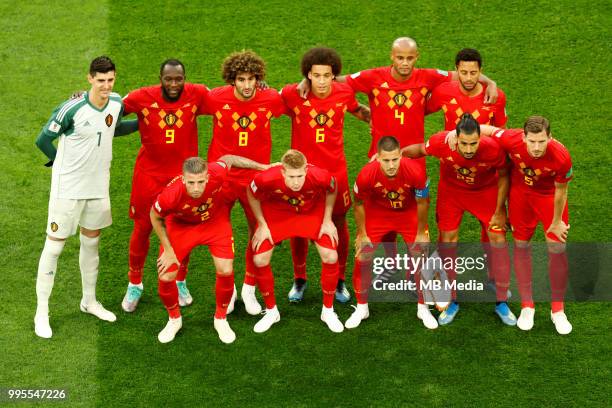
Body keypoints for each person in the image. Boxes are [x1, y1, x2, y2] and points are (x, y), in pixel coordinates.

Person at [34, 56, 129, 338]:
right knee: (54, 248)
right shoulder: (71, 108)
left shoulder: (116, 103)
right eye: (100, 80)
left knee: (92, 244)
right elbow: (43, 140)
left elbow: (112, 128)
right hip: (68, 190)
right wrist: (58, 163)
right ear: (89, 78)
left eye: (110, 80)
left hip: (98, 188)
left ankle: (89, 301)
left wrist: (144, 126)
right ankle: (42, 311)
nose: (106, 85)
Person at [402, 114, 516, 326]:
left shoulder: (493, 148)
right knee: (447, 243)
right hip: (452, 193)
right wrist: (396, 155)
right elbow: (419, 150)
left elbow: (504, 175)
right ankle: (451, 299)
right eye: (464, 143)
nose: (469, 149)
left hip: (485, 192)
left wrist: (500, 210)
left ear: (480, 138)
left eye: (474, 143)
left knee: (498, 242)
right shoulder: (440, 142)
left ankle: (502, 301)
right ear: (456, 137)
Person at [120, 59, 212, 313]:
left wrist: (258, 86)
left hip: (182, 178)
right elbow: (109, 109)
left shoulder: (197, 94)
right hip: (148, 177)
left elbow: (230, 100)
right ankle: (134, 283)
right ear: (160, 77)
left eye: (178, 79)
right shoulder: (141, 97)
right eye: (168, 79)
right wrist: (83, 97)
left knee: (181, 228)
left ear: (185, 78)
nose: (173, 84)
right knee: (142, 228)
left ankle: (180, 280)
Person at [281, 47, 370, 303]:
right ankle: (300, 279)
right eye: (315, 75)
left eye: (326, 75)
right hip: (302, 175)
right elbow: (266, 98)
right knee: (297, 225)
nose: (321, 81)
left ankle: (340, 279)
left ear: (334, 76)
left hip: (335, 173)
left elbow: (357, 109)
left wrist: (377, 120)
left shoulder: (344, 93)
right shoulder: (293, 94)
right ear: (308, 74)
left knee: (340, 223)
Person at [467, 117, 573, 334]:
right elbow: (487, 129)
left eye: (541, 141)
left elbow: (561, 191)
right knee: (521, 247)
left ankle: (558, 310)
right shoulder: (512, 139)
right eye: (532, 141)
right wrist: (452, 133)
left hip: (549, 198)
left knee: (557, 249)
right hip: (521, 196)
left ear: (549, 138)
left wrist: (556, 222)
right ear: (523, 137)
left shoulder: (561, 157)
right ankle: (527, 306)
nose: (536, 147)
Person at [151, 155, 271, 344]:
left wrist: (262, 166)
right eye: (191, 182)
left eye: (200, 181)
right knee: (166, 276)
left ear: (207, 177)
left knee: (225, 269)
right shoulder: (171, 194)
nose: (196, 188)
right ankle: (174, 319)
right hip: (181, 227)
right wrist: (168, 250)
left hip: (215, 222)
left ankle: (220, 318)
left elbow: (229, 158)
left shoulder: (217, 172)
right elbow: (155, 215)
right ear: (183, 179)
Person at [206, 50, 286, 315]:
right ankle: (228, 291)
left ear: (258, 78)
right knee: (220, 232)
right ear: (232, 80)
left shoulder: (271, 99)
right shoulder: (215, 98)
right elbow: (186, 101)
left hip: (256, 180)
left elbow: (297, 103)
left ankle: (249, 288)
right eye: (241, 79)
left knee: (258, 232)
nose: (247, 85)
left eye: (252, 79)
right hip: (223, 180)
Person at [426, 49, 508, 287]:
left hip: (486, 181)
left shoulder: (496, 97)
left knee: (494, 234)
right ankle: (446, 284)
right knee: (447, 237)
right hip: (452, 180)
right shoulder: (443, 92)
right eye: (464, 72)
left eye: (474, 72)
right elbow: (416, 112)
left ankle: (495, 279)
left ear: (481, 72)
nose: (469, 77)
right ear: (456, 71)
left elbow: (502, 133)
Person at [247, 150, 344, 333]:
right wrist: (261, 224)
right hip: (279, 213)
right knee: (260, 259)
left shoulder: (319, 175)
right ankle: (271, 311)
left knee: (331, 256)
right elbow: (251, 193)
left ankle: (328, 311)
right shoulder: (266, 178)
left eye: (300, 175)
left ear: (306, 170)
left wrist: (327, 219)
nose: (296, 181)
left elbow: (333, 187)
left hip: (310, 212)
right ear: (282, 171)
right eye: (291, 176)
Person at [346, 136, 434, 330]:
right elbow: (358, 204)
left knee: (421, 255)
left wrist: (421, 232)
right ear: (377, 158)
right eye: (386, 160)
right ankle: (362, 307)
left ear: (400, 155)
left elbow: (422, 203)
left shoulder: (415, 171)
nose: (391, 165)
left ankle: (423, 307)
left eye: (395, 159)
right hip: (379, 213)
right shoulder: (366, 174)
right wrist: (362, 234)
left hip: (408, 213)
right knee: (363, 256)